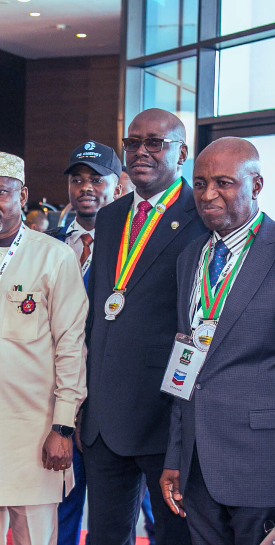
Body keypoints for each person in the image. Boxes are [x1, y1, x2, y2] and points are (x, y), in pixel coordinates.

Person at [81, 108, 207, 545]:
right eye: (133, 143)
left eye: (155, 142)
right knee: (105, 536)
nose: (141, 151)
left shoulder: (203, 219)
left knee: (175, 536)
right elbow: (101, 310)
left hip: (164, 417)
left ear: (183, 153)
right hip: (102, 419)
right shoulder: (112, 215)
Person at [0, 151, 87, 545]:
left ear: (22, 195)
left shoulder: (54, 256)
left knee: (36, 539)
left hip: (34, 433)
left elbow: (71, 346)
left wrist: (63, 425)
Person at [160, 137, 275, 545]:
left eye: (224, 183)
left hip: (261, 468)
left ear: (256, 185)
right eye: (201, 182)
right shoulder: (190, 257)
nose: (209, 195)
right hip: (196, 466)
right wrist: (175, 456)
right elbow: (185, 360)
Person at [44, 141, 121, 545]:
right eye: (77, 179)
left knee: (122, 510)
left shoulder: (130, 247)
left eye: (96, 179)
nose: (86, 187)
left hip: (114, 400)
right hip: (59, 395)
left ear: (117, 187)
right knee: (62, 501)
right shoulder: (48, 244)